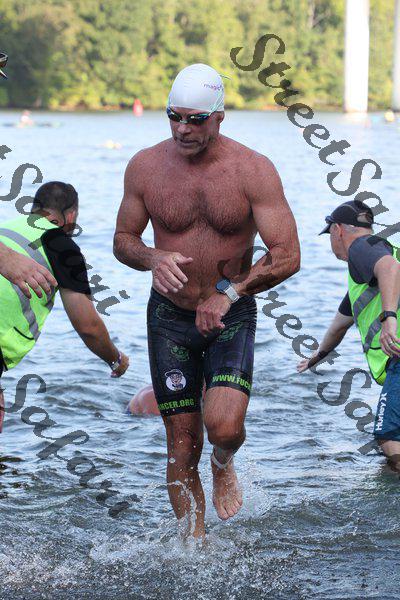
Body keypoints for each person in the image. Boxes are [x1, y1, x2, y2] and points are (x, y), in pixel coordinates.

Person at [114, 63, 300, 538]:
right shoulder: (145, 166)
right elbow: (122, 240)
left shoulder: (252, 170)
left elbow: (288, 255)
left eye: (195, 119)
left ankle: (223, 461)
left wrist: (228, 293)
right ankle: (195, 550)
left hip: (230, 313)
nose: (183, 129)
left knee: (224, 428)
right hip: (169, 317)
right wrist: (151, 257)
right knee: (180, 445)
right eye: (174, 116)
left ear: (219, 116)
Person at [0, 181, 129, 432]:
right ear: (71, 216)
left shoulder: (6, 230)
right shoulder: (61, 245)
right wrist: (115, 360)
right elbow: (88, 326)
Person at [297, 200, 400, 469]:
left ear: (338, 230)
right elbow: (339, 326)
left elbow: (389, 268)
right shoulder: (364, 279)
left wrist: (389, 318)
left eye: (330, 234)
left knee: (389, 437)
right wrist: (318, 356)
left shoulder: (361, 248)